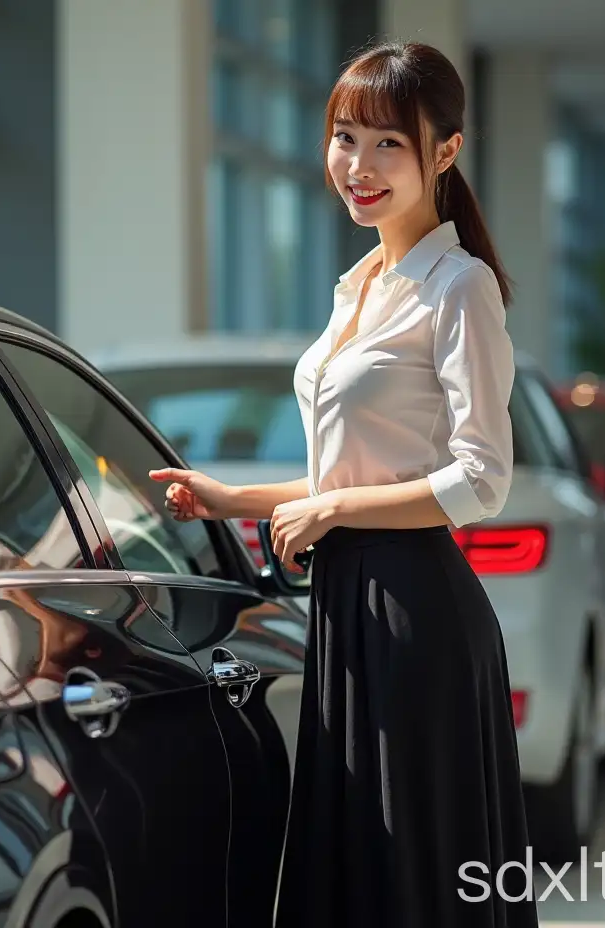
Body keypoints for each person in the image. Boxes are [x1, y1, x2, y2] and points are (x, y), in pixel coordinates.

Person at [150, 41, 538, 928]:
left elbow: (482, 482)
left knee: (412, 878)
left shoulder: (459, 287)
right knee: (358, 870)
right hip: (347, 608)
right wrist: (232, 498)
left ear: (445, 152)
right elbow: (348, 476)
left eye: (388, 145)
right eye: (344, 139)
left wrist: (327, 509)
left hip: (415, 618)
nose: (358, 168)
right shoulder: (359, 282)